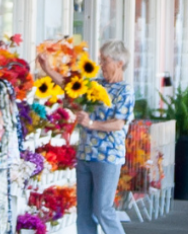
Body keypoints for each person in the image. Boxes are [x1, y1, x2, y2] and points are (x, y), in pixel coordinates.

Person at [77, 41, 134, 234]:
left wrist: (91, 124)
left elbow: (119, 123)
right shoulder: (96, 84)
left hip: (107, 157)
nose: (101, 64)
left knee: (103, 209)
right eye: (101, 60)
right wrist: (48, 69)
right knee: (84, 213)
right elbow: (69, 86)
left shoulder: (124, 91)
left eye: (105, 60)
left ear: (119, 63)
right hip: (85, 154)